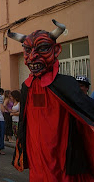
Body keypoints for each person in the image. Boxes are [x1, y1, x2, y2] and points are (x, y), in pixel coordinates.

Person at [8, 19, 94, 181]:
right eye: (27, 50)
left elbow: (86, 111)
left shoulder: (66, 84)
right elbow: (24, 120)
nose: (32, 57)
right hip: (37, 154)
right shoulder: (27, 86)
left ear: (56, 50)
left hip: (62, 154)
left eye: (42, 49)